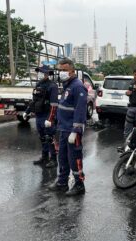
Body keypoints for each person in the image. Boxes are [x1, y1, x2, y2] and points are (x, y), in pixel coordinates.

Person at [48, 58, 88, 196]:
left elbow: (80, 110)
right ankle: (62, 182)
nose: (61, 73)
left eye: (64, 70)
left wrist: (75, 130)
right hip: (63, 128)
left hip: (72, 130)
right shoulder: (67, 85)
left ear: (72, 71)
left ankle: (79, 184)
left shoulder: (77, 86)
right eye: (60, 70)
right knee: (63, 157)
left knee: (74, 158)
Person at [23, 65, 58, 168]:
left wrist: (50, 119)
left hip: (47, 115)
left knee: (49, 137)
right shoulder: (38, 85)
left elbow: (54, 105)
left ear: (47, 74)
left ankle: (53, 159)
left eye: (42, 72)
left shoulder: (52, 86)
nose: (40, 74)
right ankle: (44, 157)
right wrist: (27, 111)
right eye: (39, 72)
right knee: (42, 137)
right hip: (39, 115)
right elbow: (34, 101)